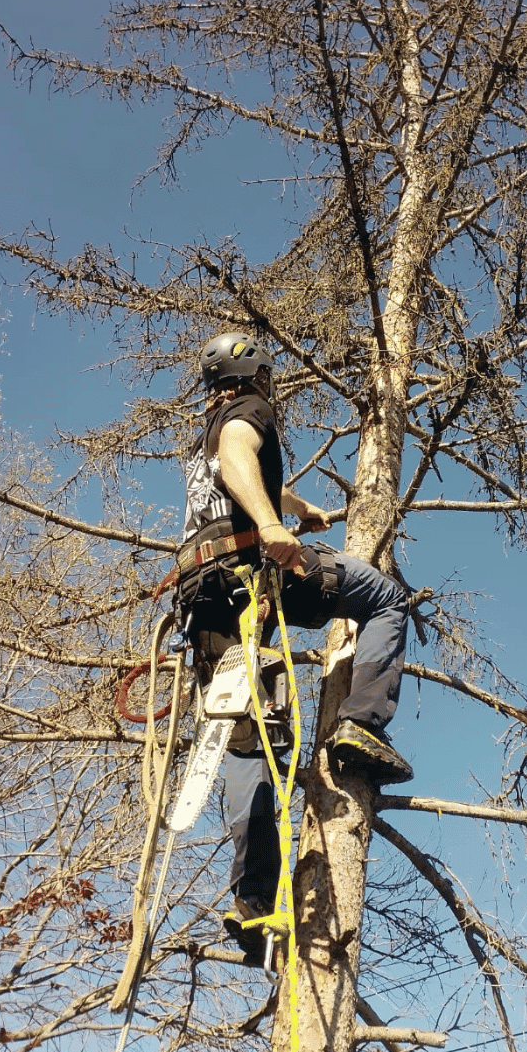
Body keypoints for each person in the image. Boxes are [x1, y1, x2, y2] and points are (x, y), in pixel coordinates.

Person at [175, 332, 412, 957]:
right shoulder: (248, 414)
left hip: (204, 593)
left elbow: (234, 474)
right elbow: (238, 458)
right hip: (256, 568)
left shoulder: (208, 427)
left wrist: (299, 506)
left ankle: (253, 900)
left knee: (254, 748)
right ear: (256, 374)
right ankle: (361, 724)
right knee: (386, 600)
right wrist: (279, 527)